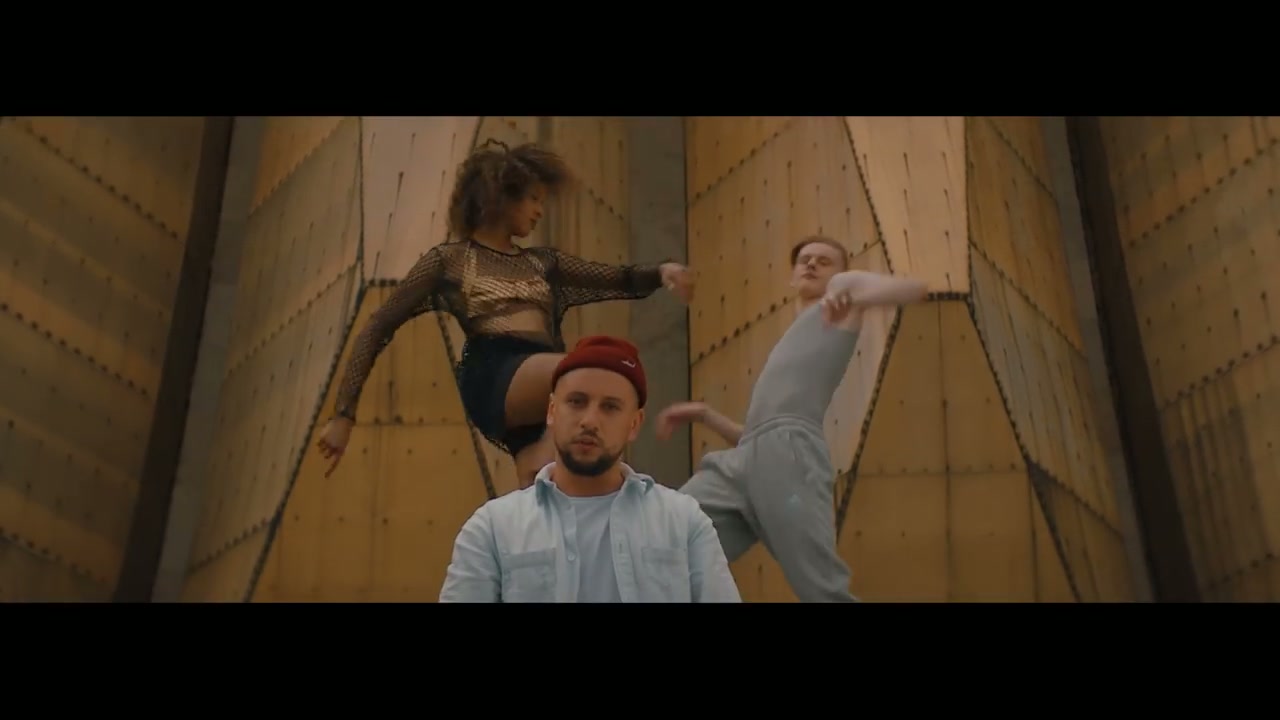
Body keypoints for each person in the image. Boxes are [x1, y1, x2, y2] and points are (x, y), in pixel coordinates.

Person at [315, 140, 695, 488]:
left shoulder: (541, 262)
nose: (539, 211)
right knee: (588, 371)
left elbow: (615, 278)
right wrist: (344, 414)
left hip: (542, 393)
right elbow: (378, 325)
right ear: (500, 197)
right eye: (532, 199)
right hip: (496, 371)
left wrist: (661, 272)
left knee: (545, 491)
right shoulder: (451, 260)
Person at [656, 235, 928, 602]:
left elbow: (913, 289)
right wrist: (704, 414)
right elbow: (758, 435)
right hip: (743, 461)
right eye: (805, 259)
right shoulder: (793, 334)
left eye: (824, 261)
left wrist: (848, 292)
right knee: (664, 539)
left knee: (820, 588)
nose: (812, 264)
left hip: (790, 458)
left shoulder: (842, 296)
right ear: (792, 276)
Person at [438, 335, 742, 603]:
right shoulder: (493, 528)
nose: (590, 421)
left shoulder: (683, 521)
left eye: (610, 407)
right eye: (576, 402)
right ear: (552, 411)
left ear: (634, 424)